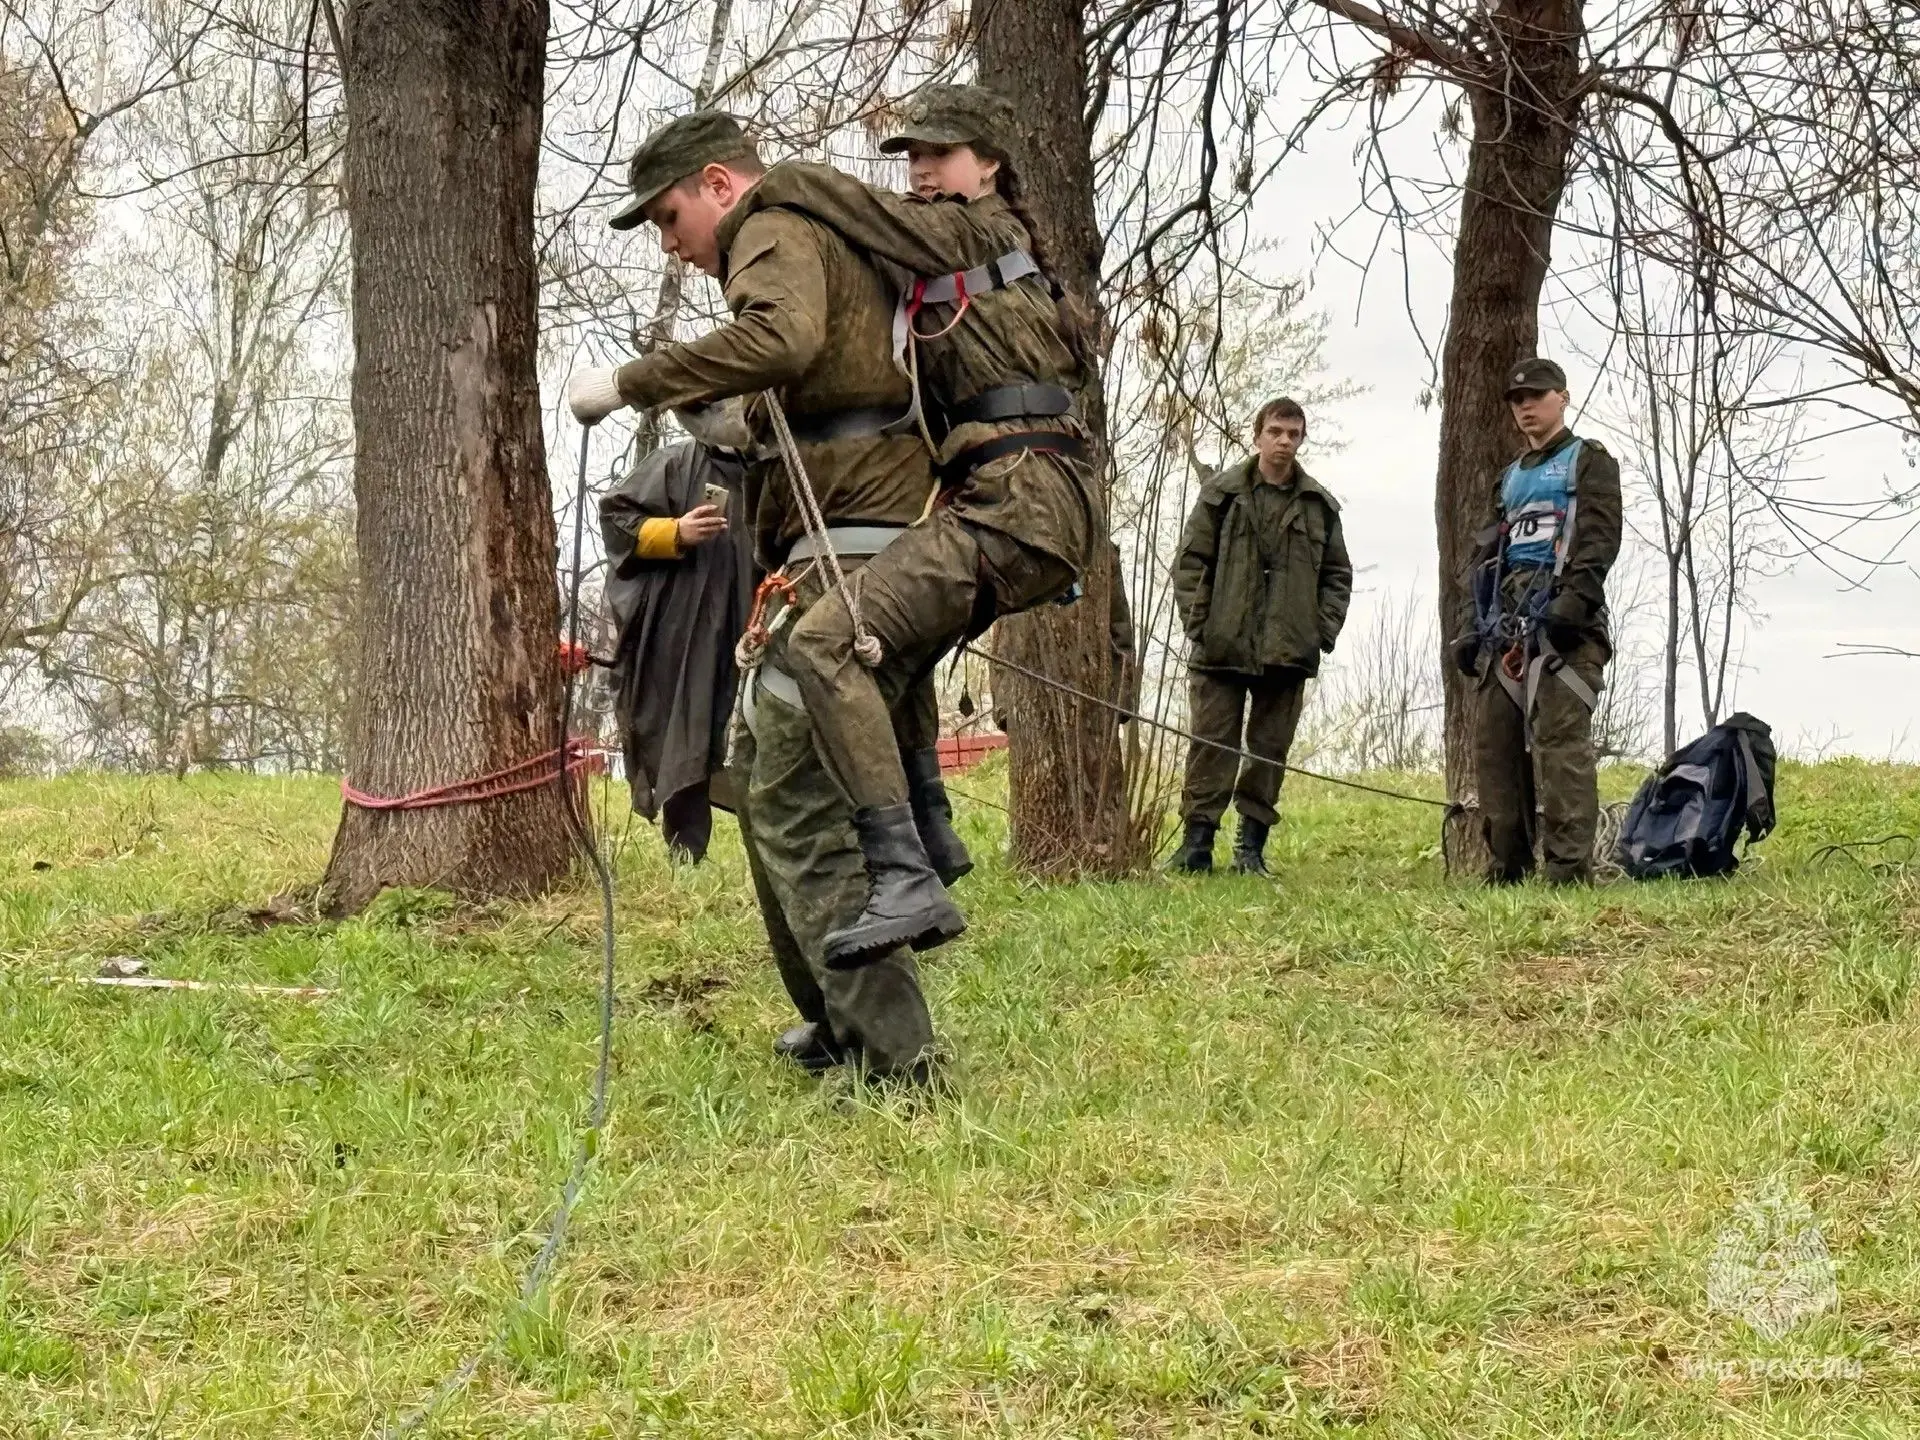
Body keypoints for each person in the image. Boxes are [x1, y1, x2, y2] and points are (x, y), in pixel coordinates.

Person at [568, 111, 947, 1083]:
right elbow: (811, 367)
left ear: (719, 185)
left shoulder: (769, 222)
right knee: (768, 783)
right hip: (847, 546)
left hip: (851, 554)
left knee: (793, 798)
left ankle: (896, 1058)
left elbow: (782, 339)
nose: (672, 243)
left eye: (669, 216)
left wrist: (633, 382)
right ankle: (835, 1017)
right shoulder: (809, 236)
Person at [717, 84, 1098, 966]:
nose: (922, 172)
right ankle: (930, 824)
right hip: (1011, 500)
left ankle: (904, 875)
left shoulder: (979, 230)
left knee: (830, 642)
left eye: (939, 155)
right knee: (894, 628)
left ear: (989, 165)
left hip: (1021, 502)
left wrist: (776, 186)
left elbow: (863, 213)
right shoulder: (953, 265)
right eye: (912, 158)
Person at [1451, 357, 1622, 884]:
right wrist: (1467, 623)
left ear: (1562, 398)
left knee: (1560, 743)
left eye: (1537, 396)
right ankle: (1508, 868)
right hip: (1505, 628)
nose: (1526, 406)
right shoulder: (1508, 479)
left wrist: (1574, 604)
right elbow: (1481, 557)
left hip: (1565, 629)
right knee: (1495, 745)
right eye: (1517, 400)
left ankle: (1569, 871)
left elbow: (1600, 537)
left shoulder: (1586, 460)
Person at [1169, 398, 1352, 876]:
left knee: (1269, 752)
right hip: (1221, 649)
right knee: (1211, 744)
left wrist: (1320, 633)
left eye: (1293, 433)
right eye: (1276, 431)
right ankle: (1196, 847)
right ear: (1257, 435)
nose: (1284, 441)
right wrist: (1201, 626)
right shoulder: (1221, 495)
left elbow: (1337, 576)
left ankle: (1250, 851)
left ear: (1301, 439)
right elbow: (1190, 566)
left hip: (1288, 653)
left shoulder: (1320, 506)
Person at [599, 434, 746, 863]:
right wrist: (675, 532)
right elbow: (617, 519)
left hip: (755, 618)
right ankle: (686, 852)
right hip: (688, 629)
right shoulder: (677, 461)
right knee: (686, 728)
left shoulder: (776, 459)